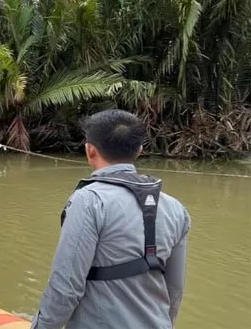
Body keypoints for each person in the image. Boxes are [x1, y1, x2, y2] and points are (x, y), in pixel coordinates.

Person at [31, 109, 191, 329]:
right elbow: (175, 289)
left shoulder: (88, 201)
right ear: (139, 150)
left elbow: (66, 287)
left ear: (90, 151)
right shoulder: (176, 209)